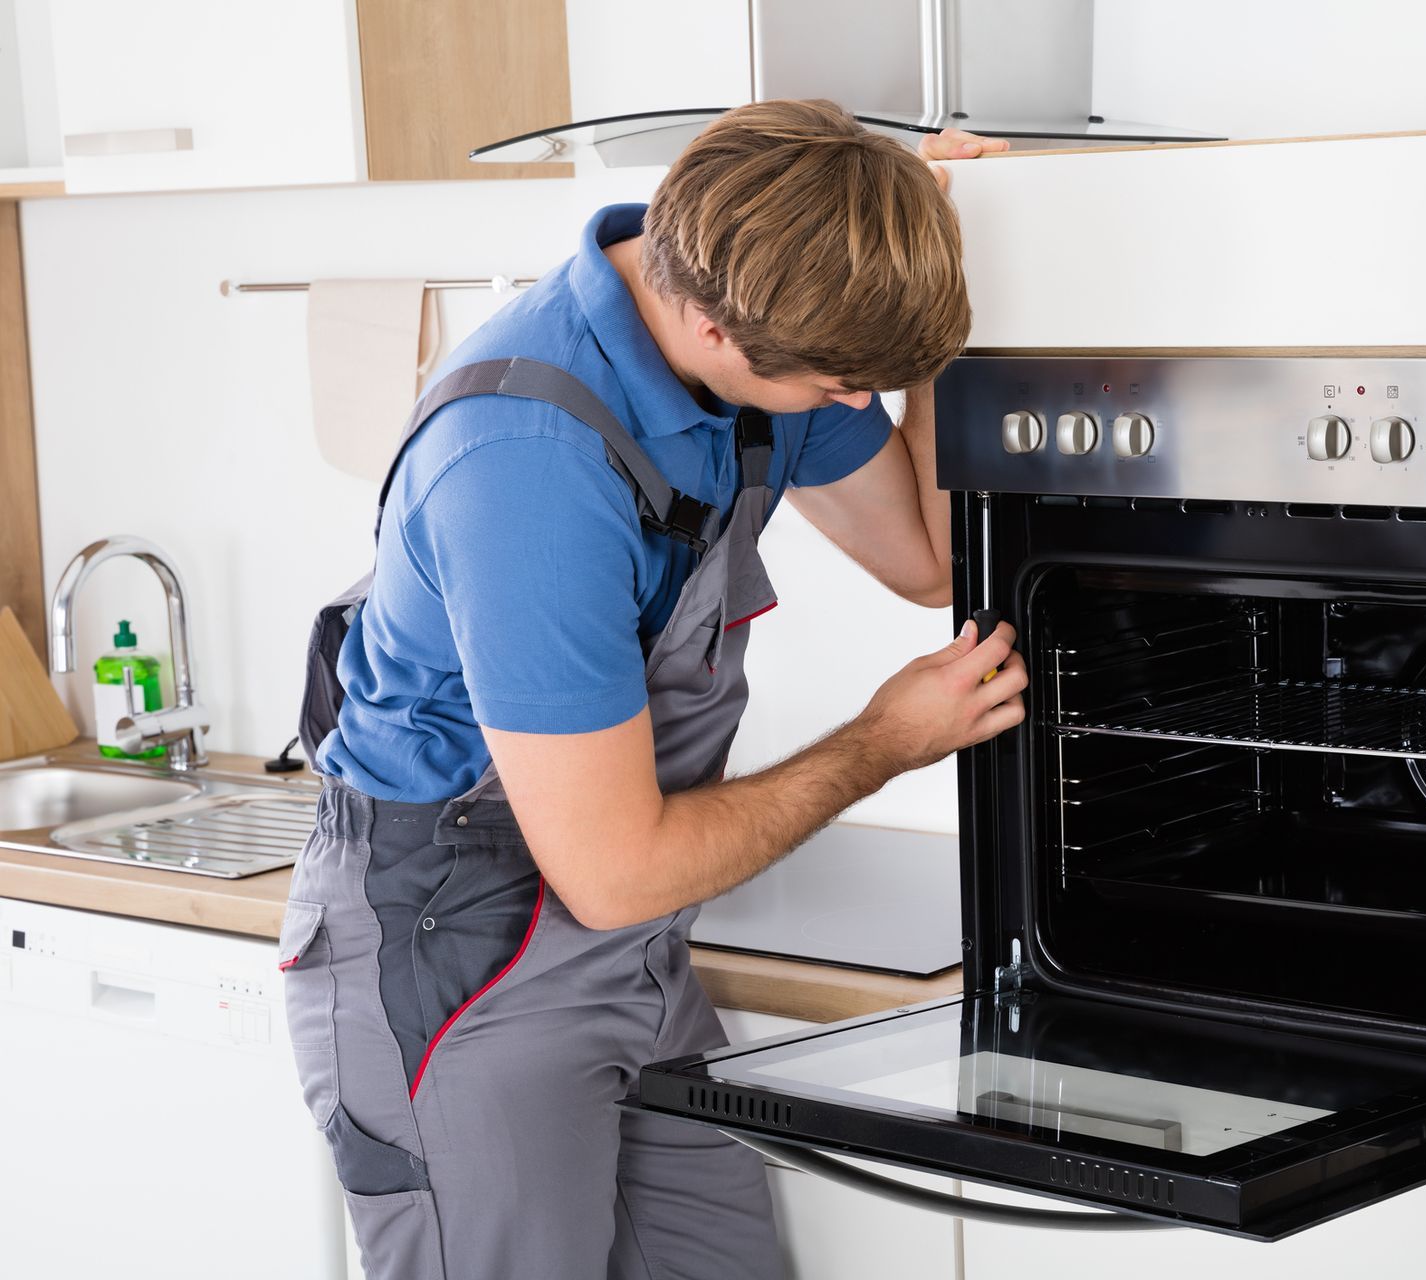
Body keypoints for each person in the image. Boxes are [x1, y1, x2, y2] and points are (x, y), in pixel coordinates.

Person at [279, 100, 1020, 1279]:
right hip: (462, 953)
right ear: (714, 326)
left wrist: (932, 278)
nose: (848, 407)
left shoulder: (757, 321)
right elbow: (614, 864)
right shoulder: (525, 463)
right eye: (839, 386)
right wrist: (882, 740)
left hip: (629, 939)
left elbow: (926, 554)